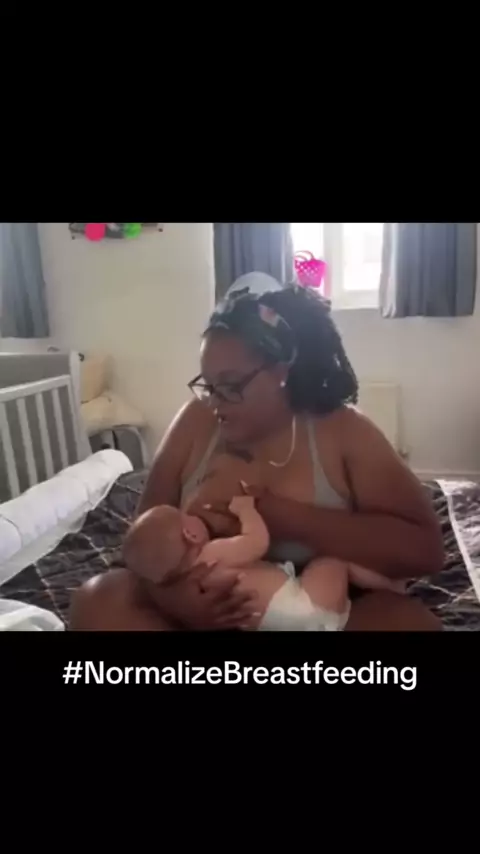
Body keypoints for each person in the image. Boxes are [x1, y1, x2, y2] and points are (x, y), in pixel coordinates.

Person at [70, 278, 444, 631]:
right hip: (204, 617)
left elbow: (425, 550)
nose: (215, 402)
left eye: (231, 385)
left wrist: (285, 518)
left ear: (281, 371)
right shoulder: (196, 421)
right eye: (208, 386)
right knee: (99, 600)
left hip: (314, 615)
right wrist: (175, 601)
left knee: (408, 624)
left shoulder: (344, 431)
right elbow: (138, 545)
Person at [124, 495, 407, 631]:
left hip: (280, 626)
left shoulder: (194, 584)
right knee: (334, 560)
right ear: (191, 534)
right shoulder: (212, 554)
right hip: (306, 607)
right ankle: (390, 585)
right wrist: (246, 510)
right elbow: (257, 542)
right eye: (186, 516)